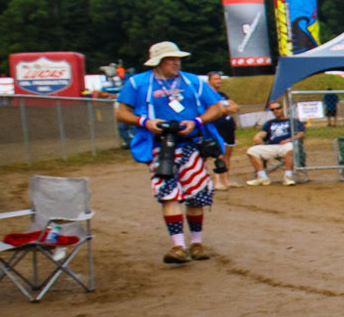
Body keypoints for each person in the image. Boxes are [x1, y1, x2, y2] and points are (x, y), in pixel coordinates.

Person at [115, 41, 233, 266]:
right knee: (168, 193)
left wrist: (196, 121)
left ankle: (197, 243)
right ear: (158, 62)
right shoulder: (137, 83)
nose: (176, 62)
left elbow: (217, 107)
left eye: (178, 58)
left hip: (192, 143)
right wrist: (145, 121)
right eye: (170, 59)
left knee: (197, 193)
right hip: (159, 145)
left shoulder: (192, 81)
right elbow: (121, 113)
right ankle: (178, 246)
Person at [244, 100, 300, 185]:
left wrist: (289, 140)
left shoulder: (292, 121)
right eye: (272, 109)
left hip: (286, 145)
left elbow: (301, 134)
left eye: (277, 108)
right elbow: (263, 133)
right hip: (271, 146)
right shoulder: (269, 123)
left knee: (290, 147)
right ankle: (262, 178)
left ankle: (288, 177)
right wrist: (258, 136)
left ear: (282, 108)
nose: (275, 111)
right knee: (251, 150)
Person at [206, 72, 239, 190]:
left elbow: (235, 106)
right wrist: (226, 109)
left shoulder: (222, 95)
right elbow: (219, 110)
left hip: (228, 126)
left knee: (227, 155)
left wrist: (226, 109)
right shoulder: (208, 94)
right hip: (217, 126)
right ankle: (217, 181)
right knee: (218, 154)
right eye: (215, 79)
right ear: (209, 81)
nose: (218, 81)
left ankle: (226, 180)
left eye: (219, 79)